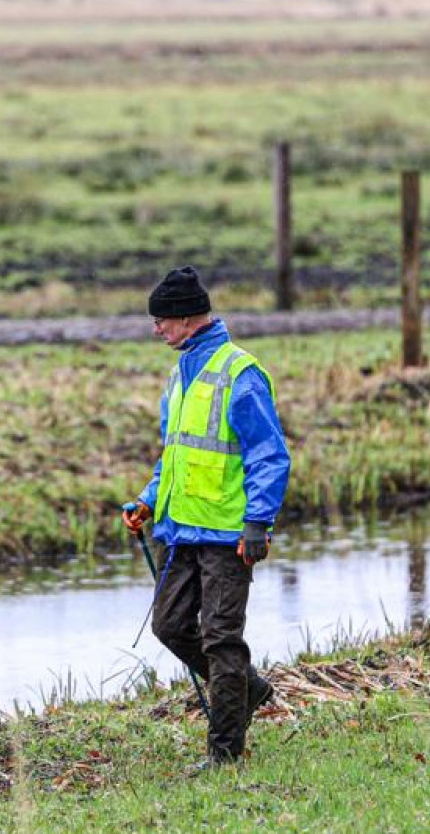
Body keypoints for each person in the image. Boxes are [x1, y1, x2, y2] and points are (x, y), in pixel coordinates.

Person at [122, 266, 291, 769]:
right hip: (180, 531)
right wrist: (149, 500)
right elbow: (174, 453)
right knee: (170, 626)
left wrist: (258, 523)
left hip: (227, 535)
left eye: (161, 321)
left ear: (186, 317)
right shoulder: (179, 375)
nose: (156, 330)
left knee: (220, 639)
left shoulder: (241, 374)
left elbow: (270, 455)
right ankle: (248, 688)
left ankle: (224, 753)